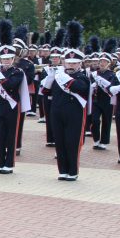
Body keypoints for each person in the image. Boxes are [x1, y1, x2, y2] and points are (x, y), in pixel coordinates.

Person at [44, 34, 90, 181]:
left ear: (80, 64)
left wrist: (61, 76)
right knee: (60, 142)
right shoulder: (58, 76)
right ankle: (62, 170)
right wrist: (51, 77)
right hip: (57, 113)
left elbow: (79, 88)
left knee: (72, 142)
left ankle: (73, 171)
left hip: (74, 114)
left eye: (74, 63)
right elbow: (45, 91)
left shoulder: (83, 77)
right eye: (68, 62)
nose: (70, 65)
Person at [0, 45, 29, 174]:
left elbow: (10, 84)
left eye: (9, 59)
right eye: (4, 59)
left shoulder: (18, 72)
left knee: (11, 135)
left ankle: (9, 164)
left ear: (13, 59)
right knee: (0, 135)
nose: (6, 61)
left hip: (12, 106)